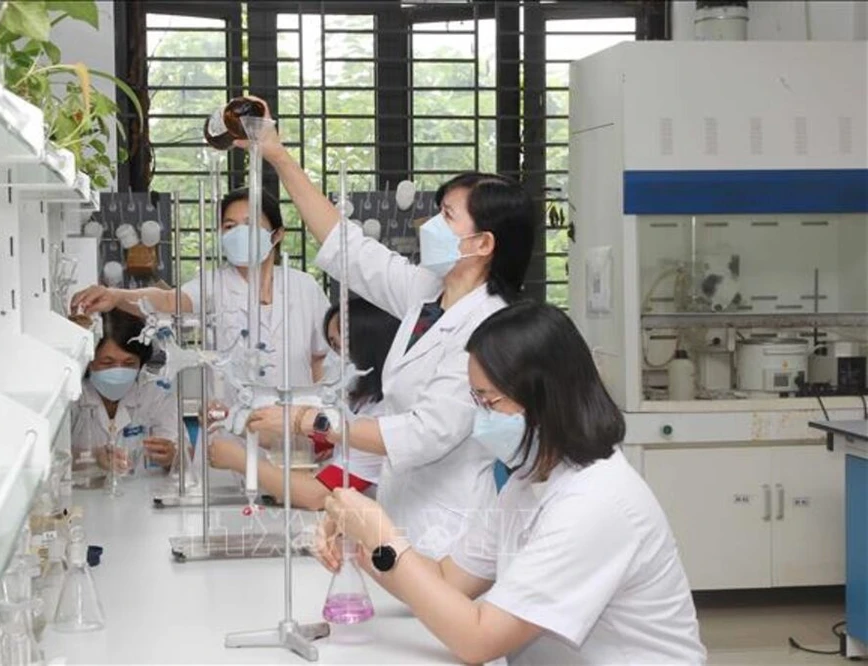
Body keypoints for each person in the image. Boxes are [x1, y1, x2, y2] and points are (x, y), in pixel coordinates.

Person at [316, 303, 707, 665]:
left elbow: (478, 640)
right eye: (475, 400)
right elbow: (447, 581)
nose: (480, 417)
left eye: (490, 401)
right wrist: (361, 539)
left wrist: (382, 535)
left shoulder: (595, 502)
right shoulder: (530, 478)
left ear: (545, 397)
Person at [241, 97, 536, 558]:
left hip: (449, 530)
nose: (430, 223)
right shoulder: (428, 291)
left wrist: (309, 420)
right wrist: (277, 155)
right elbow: (348, 248)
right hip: (400, 512)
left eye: (447, 216)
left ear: (482, 243)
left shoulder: (490, 328)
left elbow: (421, 435)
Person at [69, 188, 331, 389]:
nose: (239, 233)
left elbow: (320, 358)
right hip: (232, 426)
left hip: (296, 428)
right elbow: (169, 300)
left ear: (276, 235)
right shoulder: (214, 284)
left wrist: (322, 421)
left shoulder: (304, 286)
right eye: (229, 226)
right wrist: (116, 296)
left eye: (251, 224)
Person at [208, 299, 399, 510]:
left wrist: (242, 461)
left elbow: (315, 496)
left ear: (368, 345)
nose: (333, 358)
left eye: (339, 346)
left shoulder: (382, 415)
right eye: (332, 346)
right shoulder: (363, 401)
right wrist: (235, 422)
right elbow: (306, 444)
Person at [71, 311, 182, 477]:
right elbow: (51, 458)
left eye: (129, 363)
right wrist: (93, 458)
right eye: (107, 363)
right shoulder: (73, 396)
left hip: (140, 495)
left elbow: (185, 455)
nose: (118, 371)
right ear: (89, 361)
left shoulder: (155, 393)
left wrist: (172, 456)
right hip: (83, 495)